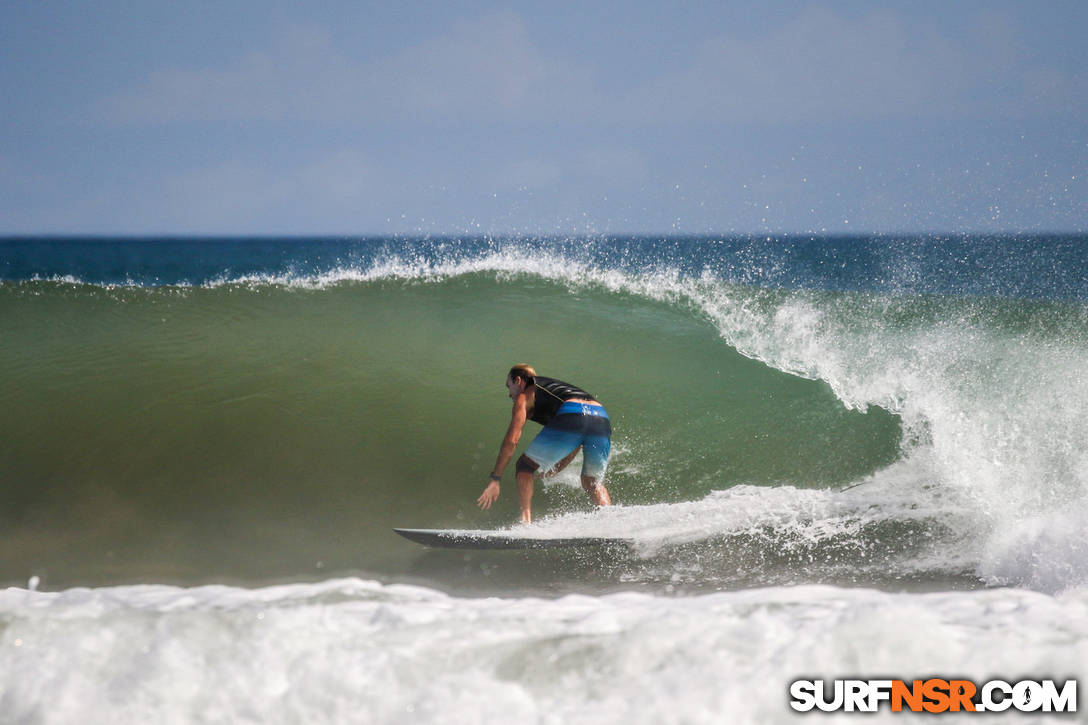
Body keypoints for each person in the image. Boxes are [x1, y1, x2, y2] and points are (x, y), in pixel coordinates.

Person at [477, 364, 612, 523]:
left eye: (509, 386)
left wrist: (495, 479)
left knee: (524, 466)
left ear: (518, 381)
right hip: (601, 417)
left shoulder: (524, 396)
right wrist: (559, 467)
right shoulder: (554, 393)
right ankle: (609, 519)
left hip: (574, 411)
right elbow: (577, 440)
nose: (509, 394)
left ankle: (525, 520)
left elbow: (512, 440)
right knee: (591, 482)